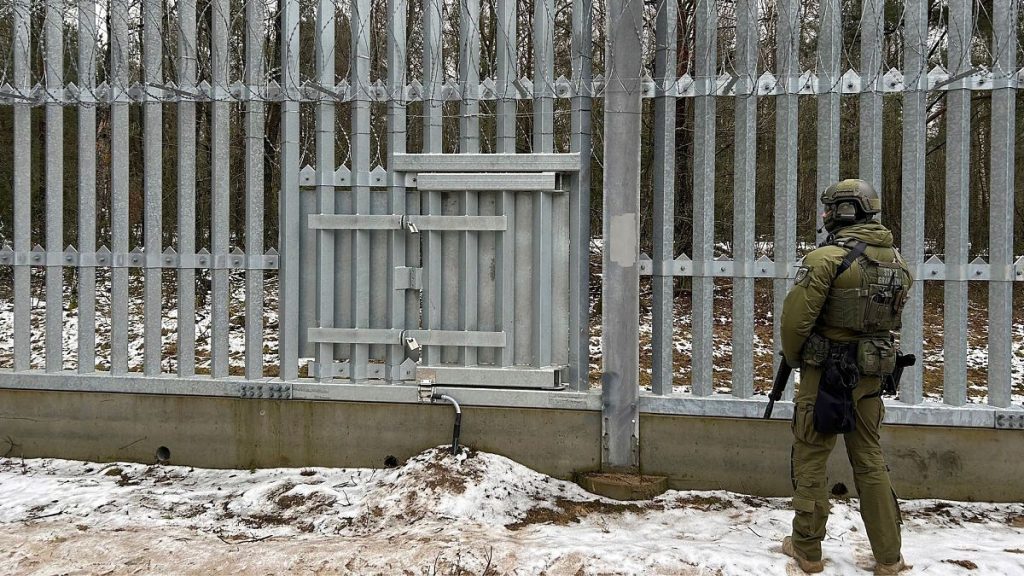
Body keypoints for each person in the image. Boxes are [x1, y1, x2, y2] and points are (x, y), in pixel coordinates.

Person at [779, 179, 913, 575]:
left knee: (811, 454)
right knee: (870, 458)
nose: (824, 216)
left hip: (824, 376)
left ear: (844, 211)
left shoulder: (826, 259)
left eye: (829, 209)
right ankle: (889, 557)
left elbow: (794, 323)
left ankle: (806, 550)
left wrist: (797, 358)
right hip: (871, 377)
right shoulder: (897, 262)